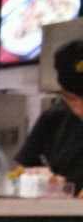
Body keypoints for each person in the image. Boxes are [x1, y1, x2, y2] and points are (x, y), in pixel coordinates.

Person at [16, 39, 83, 194]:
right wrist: (39, 177)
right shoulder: (54, 118)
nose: (80, 109)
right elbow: (24, 167)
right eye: (72, 99)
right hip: (61, 206)